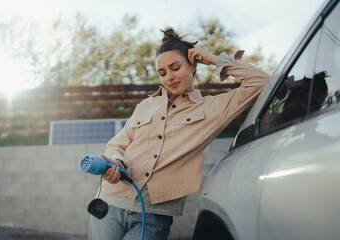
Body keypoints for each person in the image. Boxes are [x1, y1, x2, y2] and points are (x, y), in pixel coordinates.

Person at [88, 27, 270, 240]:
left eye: (175, 68)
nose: (169, 77)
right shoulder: (145, 105)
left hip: (154, 215)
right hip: (110, 204)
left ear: (192, 65)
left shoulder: (212, 109)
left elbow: (262, 82)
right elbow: (116, 145)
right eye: (162, 73)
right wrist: (116, 163)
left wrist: (213, 59)